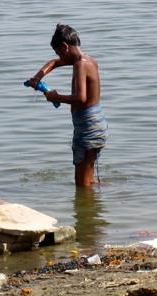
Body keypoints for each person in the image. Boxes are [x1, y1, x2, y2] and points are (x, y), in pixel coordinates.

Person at [28, 23, 107, 187]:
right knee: (88, 179)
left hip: (88, 127)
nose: (59, 57)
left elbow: (81, 98)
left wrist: (55, 97)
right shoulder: (87, 60)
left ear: (65, 47)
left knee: (81, 184)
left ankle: (87, 204)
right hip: (95, 124)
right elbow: (53, 63)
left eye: (59, 53)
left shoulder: (80, 64)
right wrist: (38, 77)